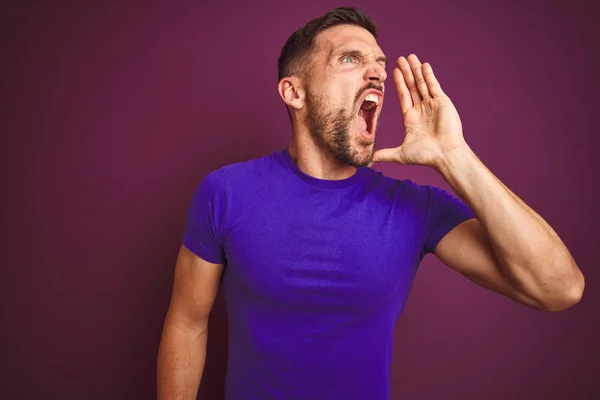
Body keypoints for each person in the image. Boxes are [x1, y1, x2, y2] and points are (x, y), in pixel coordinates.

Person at [157, 7, 584, 400]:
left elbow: (558, 289)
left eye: (379, 64)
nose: (376, 75)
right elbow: (187, 321)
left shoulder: (415, 208)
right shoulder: (226, 193)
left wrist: (454, 156)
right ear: (294, 92)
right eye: (350, 59)